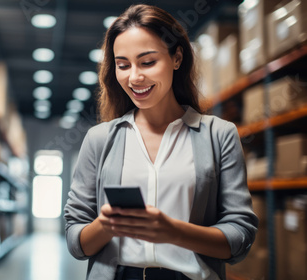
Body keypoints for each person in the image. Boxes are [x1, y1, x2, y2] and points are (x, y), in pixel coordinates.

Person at [64, 4, 258, 280]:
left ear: (176, 58)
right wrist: (106, 226)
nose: (134, 77)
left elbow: (241, 236)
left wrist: (173, 232)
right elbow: (75, 239)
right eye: (123, 65)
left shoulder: (219, 135)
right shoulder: (100, 139)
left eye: (147, 62)